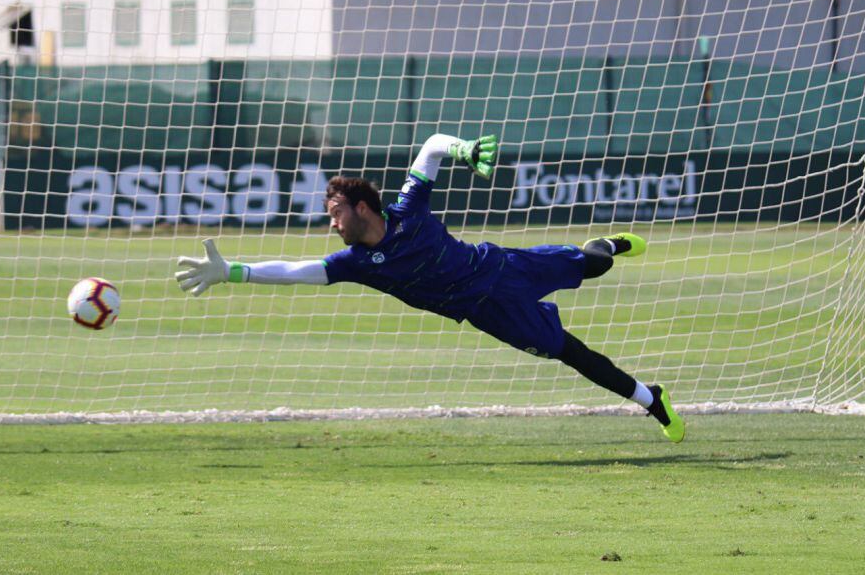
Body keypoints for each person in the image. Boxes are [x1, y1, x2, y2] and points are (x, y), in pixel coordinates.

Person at [175, 133, 685, 443]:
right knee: (570, 353)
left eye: (334, 213)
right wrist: (234, 271)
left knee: (593, 266)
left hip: (503, 266)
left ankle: (608, 244)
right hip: (489, 312)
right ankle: (650, 399)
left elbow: (432, 147)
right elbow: (294, 271)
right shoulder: (358, 263)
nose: (330, 224)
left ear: (361, 208)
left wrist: (462, 150)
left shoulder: (408, 209)